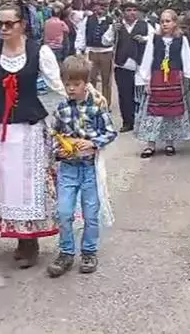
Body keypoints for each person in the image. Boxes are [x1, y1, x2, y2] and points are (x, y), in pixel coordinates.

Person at [0, 1, 65, 268]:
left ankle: (29, 239)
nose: (4, 29)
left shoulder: (39, 51)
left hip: (30, 128)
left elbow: (58, 86)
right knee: (4, 181)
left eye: (9, 23)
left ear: (23, 24)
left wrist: (77, 108)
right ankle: (17, 232)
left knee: (29, 183)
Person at [46, 56, 117, 278]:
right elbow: (53, 137)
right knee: (64, 211)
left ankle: (88, 251)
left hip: (89, 168)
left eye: (75, 84)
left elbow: (110, 132)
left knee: (90, 212)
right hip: (68, 168)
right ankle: (66, 251)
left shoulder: (97, 108)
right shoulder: (61, 109)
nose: (71, 89)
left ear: (86, 84)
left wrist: (92, 143)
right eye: (67, 84)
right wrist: (59, 150)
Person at [135, 10, 190, 158]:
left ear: (175, 23)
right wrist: (146, 79)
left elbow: (187, 59)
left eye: (168, 21)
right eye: (163, 21)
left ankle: (169, 143)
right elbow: (147, 58)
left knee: (172, 113)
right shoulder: (154, 39)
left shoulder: (181, 40)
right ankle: (150, 145)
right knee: (153, 113)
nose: (164, 24)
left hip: (174, 79)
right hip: (157, 79)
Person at [101, 2, 152, 132]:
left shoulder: (145, 25)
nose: (132, 13)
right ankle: (127, 122)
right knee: (124, 95)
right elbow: (105, 41)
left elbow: (155, 39)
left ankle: (142, 121)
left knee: (141, 95)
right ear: (123, 12)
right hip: (122, 65)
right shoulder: (116, 26)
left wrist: (144, 39)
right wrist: (112, 30)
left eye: (134, 10)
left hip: (140, 66)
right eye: (129, 10)